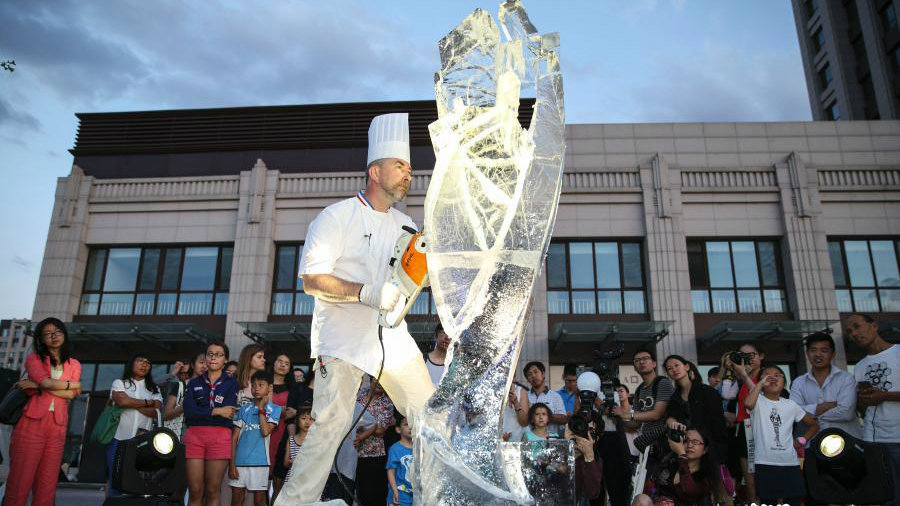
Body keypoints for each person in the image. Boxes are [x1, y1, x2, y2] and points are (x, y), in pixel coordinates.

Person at [274, 113, 436, 506]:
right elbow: (312, 279)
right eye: (400, 166)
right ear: (375, 171)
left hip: (390, 337)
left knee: (430, 416)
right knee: (330, 425)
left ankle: (436, 498)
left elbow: (416, 277)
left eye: (411, 169)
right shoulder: (336, 216)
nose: (408, 174)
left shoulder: (406, 224)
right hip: (342, 338)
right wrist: (366, 293)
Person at [2, 317, 81, 506]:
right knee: (20, 481)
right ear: (41, 339)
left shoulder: (74, 364)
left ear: (64, 334)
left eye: (57, 332)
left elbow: (72, 395)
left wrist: (39, 386)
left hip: (57, 427)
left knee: (47, 484)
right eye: (47, 333)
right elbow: (52, 383)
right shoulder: (34, 359)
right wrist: (71, 384)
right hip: (31, 424)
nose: (53, 336)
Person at [744, 365, 818, 506]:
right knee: (768, 502)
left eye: (777, 375)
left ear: (784, 381)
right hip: (765, 462)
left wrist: (801, 440)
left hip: (790, 462)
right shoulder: (758, 401)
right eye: (767, 375)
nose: (772, 378)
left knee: (794, 501)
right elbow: (748, 403)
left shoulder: (791, 404)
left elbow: (814, 425)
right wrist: (760, 384)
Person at [847, 313, 900, 505]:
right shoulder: (859, 366)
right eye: (849, 331)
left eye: (857, 326)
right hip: (874, 440)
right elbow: (863, 409)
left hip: (898, 436)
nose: (854, 333)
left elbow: (882, 396)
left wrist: (884, 395)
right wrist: (862, 401)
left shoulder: (898, 353)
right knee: (885, 497)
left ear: (874, 326)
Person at [183, 341, 239, 506]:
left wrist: (206, 412)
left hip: (220, 435)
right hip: (195, 435)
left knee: (213, 489)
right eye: (210, 354)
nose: (213, 357)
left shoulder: (231, 383)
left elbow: (228, 412)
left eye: (218, 354)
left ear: (225, 360)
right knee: (195, 490)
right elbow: (189, 413)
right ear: (206, 358)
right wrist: (216, 411)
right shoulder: (194, 383)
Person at [106, 352, 164, 496]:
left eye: (148, 362)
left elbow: (156, 410)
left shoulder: (154, 389)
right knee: (116, 480)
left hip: (142, 443)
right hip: (118, 439)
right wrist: (147, 403)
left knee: (136, 483)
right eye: (140, 360)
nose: (144, 364)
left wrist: (130, 403)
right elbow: (122, 401)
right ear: (131, 363)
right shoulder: (119, 383)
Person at [789, 332, 862, 438]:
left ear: (833, 354)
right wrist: (824, 406)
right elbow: (794, 413)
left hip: (847, 442)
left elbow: (846, 413)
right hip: (814, 444)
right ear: (807, 353)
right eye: (813, 350)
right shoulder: (798, 383)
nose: (818, 354)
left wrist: (812, 415)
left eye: (824, 350)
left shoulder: (847, 379)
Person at [631, 428, 730, 506]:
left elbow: (689, 492)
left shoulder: (706, 475)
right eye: (686, 440)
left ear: (705, 450)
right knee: (641, 499)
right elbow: (639, 442)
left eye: (695, 442)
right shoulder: (669, 459)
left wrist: (682, 455)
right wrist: (666, 428)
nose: (690, 445)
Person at [663, 355, 729, 465]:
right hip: (685, 449)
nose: (674, 369)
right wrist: (670, 420)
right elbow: (670, 417)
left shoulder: (707, 391)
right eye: (670, 369)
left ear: (687, 367)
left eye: (676, 365)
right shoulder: (674, 398)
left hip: (710, 448)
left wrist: (718, 450)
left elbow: (718, 424)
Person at [228, 370, 281, 506]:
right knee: (237, 500)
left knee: (259, 501)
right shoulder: (244, 409)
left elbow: (265, 432)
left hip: (261, 462)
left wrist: (261, 408)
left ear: (269, 388)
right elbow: (234, 438)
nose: (256, 388)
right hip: (239, 462)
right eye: (254, 385)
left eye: (261, 385)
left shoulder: (275, 409)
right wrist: (232, 464)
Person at [722, 342, 765, 503]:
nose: (747, 359)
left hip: (761, 431)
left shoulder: (766, 376)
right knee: (750, 483)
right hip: (742, 432)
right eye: (742, 356)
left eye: (751, 355)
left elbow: (762, 401)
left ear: (761, 356)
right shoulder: (741, 379)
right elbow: (727, 395)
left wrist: (745, 376)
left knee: (764, 481)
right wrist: (731, 371)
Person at [612, 349, 674, 452]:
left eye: (645, 359)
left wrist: (627, 415)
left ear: (654, 364)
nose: (641, 362)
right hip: (649, 444)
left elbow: (656, 414)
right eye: (637, 360)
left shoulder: (662, 383)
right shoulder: (639, 390)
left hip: (666, 441)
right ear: (635, 368)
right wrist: (618, 419)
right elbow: (636, 424)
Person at [321, 400, 376, 504]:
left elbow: (372, 424)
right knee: (331, 496)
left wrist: (360, 438)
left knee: (346, 495)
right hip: (329, 459)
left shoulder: (356, 406)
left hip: (347, 457)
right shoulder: (330, 401)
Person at [355, 378, 396, 506]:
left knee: (372, 493)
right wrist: (370, 424)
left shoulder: (387, 402)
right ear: (371, 379)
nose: (379, 383)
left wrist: (359, 424)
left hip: (373, 454)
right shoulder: (359, 394)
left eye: (384, 381)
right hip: (352, 451)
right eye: (377, 379)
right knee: (355, 491)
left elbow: (380, 429)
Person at [267, 353, 294, 499]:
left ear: (290, 368)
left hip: (282, 434)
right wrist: (281, 409)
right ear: (274, 363)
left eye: (287, 363)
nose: (282, 365)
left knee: (278, 481)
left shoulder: (293, 388)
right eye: (279, 361)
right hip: (262, 433)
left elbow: (292, 412)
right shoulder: (262, 383)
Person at [164, 352, 207, 440]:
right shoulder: (180, 386)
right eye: (202, 362)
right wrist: (184, 406)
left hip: (199, 439)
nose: (204, 366)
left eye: (207, 363)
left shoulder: (211, 389)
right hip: (176, 438)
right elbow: (166, 414)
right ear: (192, 365)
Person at [523, 361, 567, 436]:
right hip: (530, 440)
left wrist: (545, 414)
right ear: (527, 379)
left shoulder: (555, 396)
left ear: (543, 374)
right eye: (529, 374)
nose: (533, 376)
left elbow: (563, 418)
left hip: (551, 439)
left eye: (536, 372)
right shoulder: (524, 396)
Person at [386, 415, 415, 506]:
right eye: (406, 424)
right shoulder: (395, 449)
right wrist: (395, 492)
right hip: (400, 493)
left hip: (415, 493)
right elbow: (390, 472)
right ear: (398, 429)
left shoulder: (420, 447)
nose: (411, 427)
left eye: (413, 424)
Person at [284, 407, 313, 483]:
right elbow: (285, 463)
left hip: (309, 482)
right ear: (297, 421)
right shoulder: (291, 440)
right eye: (303, 418)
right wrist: (293, 462)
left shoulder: (316, 440)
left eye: (311, 419)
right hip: (292, 481)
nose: (307, 422)